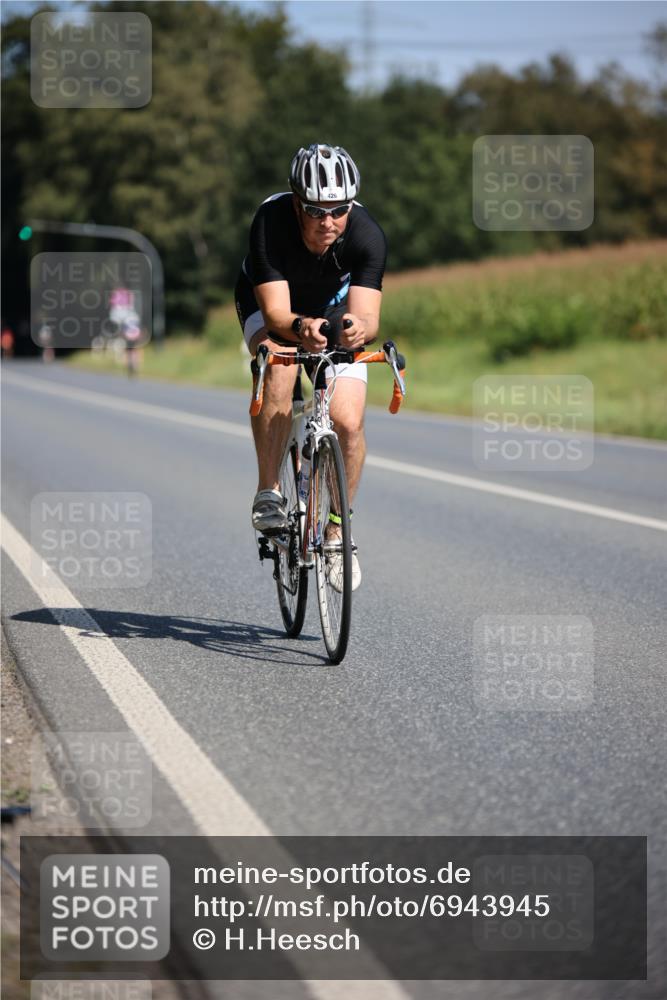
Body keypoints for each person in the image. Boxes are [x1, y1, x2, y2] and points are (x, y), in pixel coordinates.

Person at [235, 143, 387, 591]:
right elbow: (280, 314)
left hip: (331, 306)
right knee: (279, 366)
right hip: (273, 305)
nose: (328, 222)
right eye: (316, 210)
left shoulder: (366, 234)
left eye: (338, 210)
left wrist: (357, 330)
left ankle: (339, 534)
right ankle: (269, 491)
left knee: (348, 421)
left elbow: (369, 318)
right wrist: (302, 326)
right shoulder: (270, 222)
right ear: (296, 202)